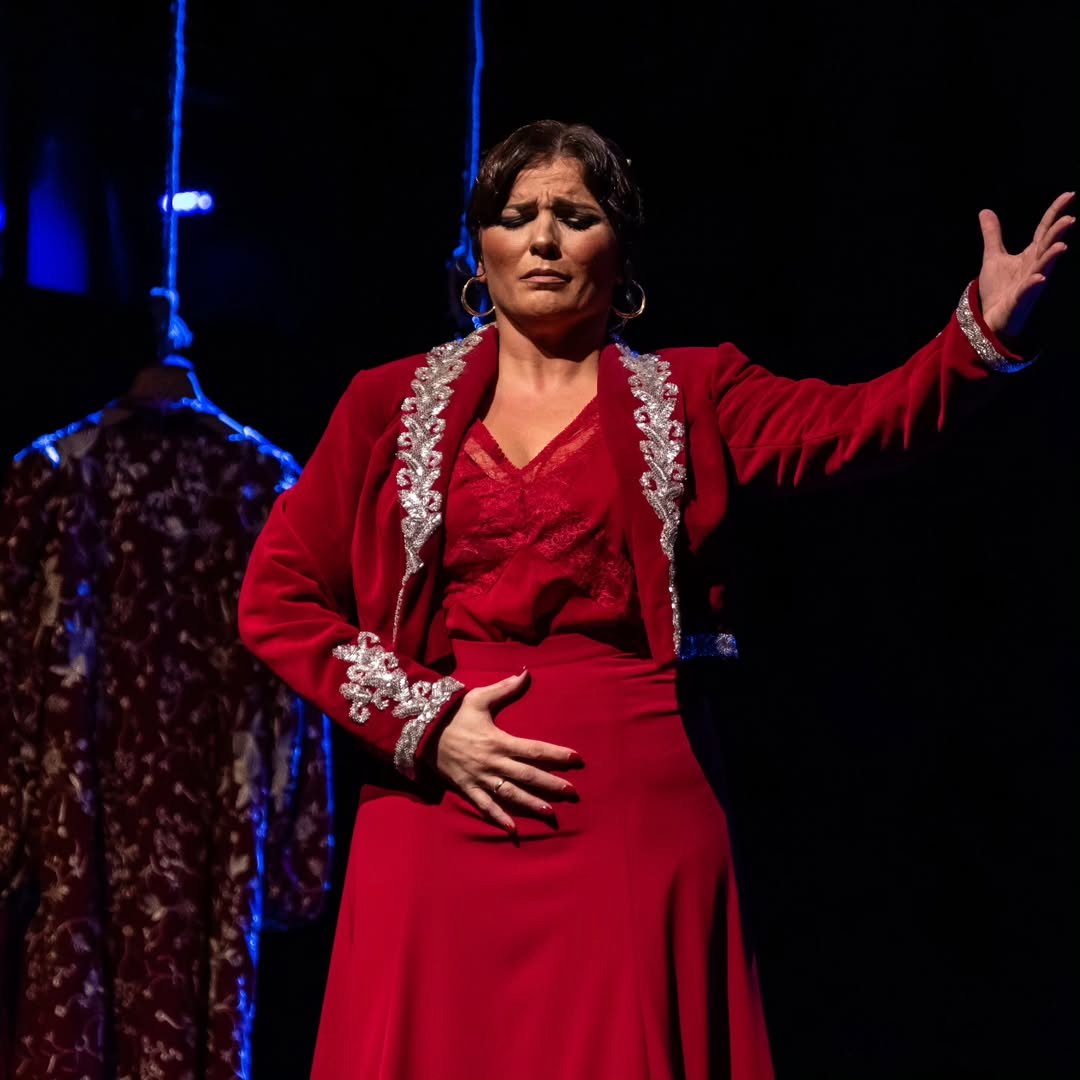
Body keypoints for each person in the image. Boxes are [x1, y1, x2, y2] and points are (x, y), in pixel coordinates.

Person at [236, 119, 1072, 1080]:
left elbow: (864, 424)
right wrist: (427, 722)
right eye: (516, 216)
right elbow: (277, 596)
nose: (543, 238)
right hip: (435, 808)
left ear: (620, 248)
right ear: (482, 251)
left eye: (575, 216)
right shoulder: (384, 403)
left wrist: (978, 339)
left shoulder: (693, 392)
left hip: (628, 811)